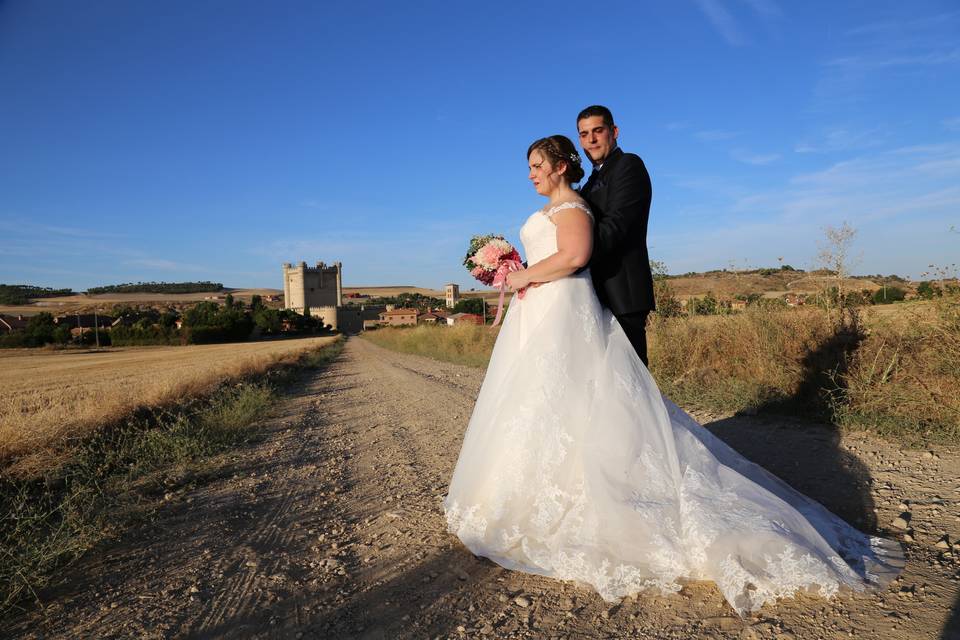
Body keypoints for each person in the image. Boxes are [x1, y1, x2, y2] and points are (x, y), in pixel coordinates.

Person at [442, 134, 903, 615]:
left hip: (563, 308)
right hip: (539, 308)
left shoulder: (574, 209)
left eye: (537, 164)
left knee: (571, 394)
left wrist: (522, 275)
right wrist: (515, 269)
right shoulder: (549, 211)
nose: (532, 173)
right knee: (538, 401)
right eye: (530, 166)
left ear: (562, 166)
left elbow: (576, 258)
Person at [578, 105, 655, 366]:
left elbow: (616, 226)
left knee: (631, 380)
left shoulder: (628, 165)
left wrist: (570, 260)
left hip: (623, 292)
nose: (591, 139)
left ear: (614, 131)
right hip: (592, 294)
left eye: (598, 130)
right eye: (584, 133)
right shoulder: (588, 184)